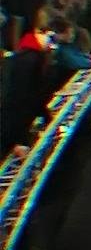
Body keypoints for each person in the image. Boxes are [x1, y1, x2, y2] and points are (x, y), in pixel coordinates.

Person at [1, 9, 53, 158]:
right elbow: (26, 97)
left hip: (13, 114)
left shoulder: (24, 55)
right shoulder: (32, 60)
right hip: (14, 119)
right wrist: (18, 140)